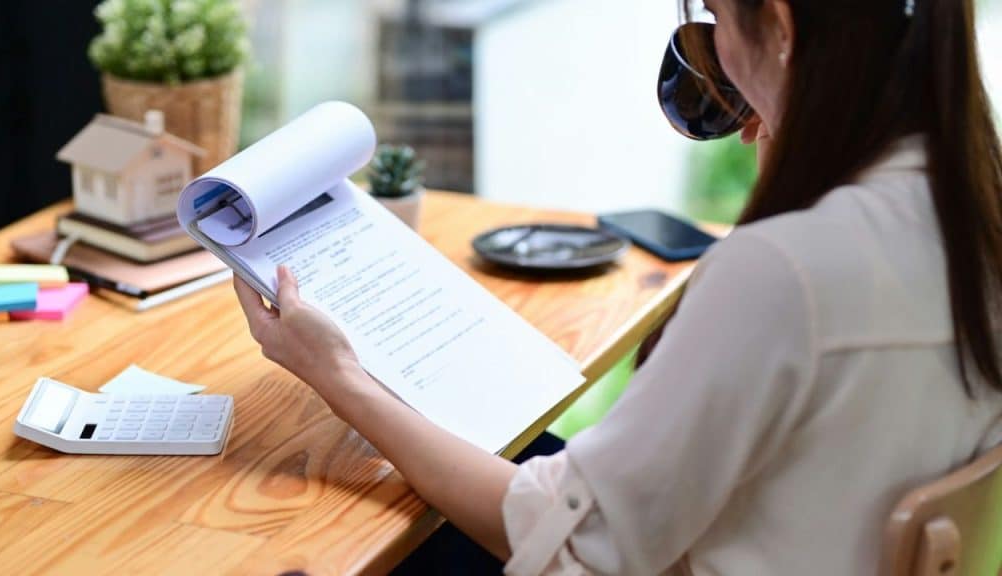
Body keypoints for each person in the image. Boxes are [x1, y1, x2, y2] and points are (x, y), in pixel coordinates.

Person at [233, 0, 1002, 573]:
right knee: (524, 452)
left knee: (371, 540)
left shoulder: (786, 272)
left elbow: (576, 552)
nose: (713, 60)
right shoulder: (972, 220)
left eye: (714, 28)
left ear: (781, 25)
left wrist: (339, 375)